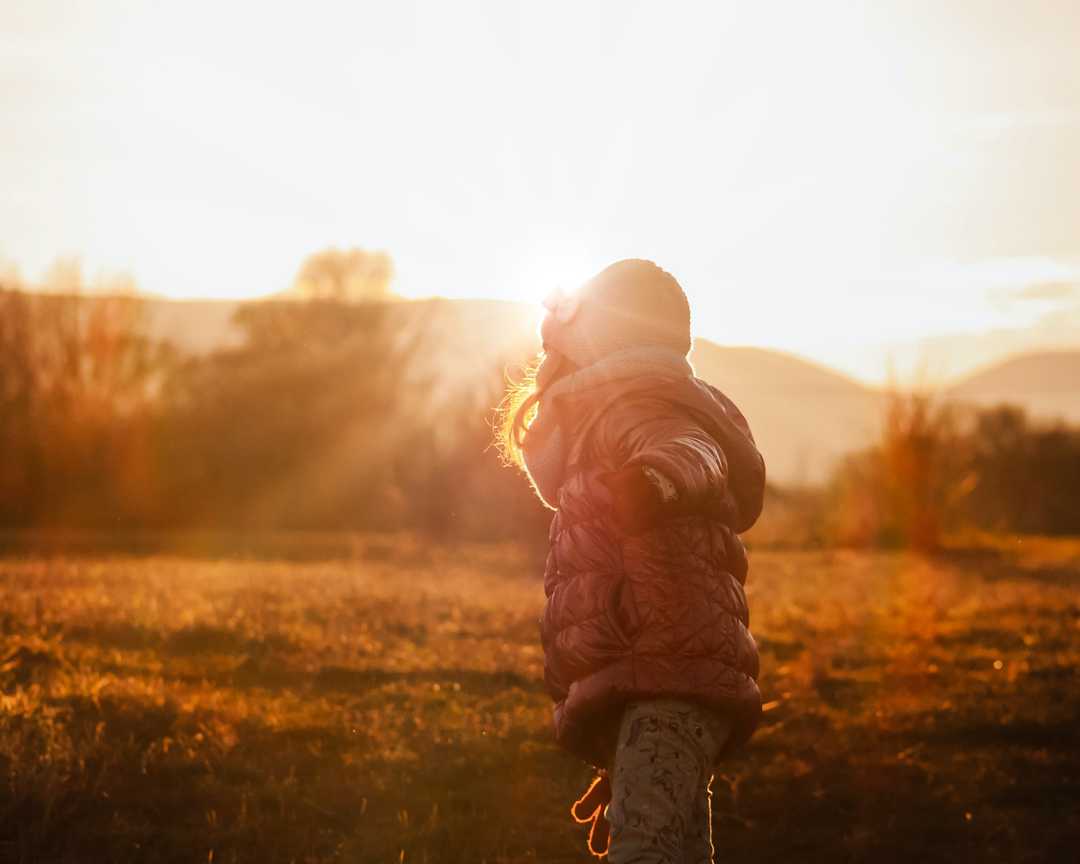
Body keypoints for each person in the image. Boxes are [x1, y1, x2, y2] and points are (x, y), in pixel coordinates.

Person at [498, 259, 766, 863]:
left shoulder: (638, 406)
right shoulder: (600, 425)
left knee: (645, 852)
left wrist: (655, 482)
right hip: (653, 684)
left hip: (669, 681)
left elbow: (692, 451)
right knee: (679, 852)